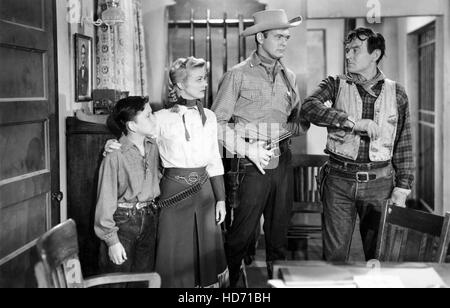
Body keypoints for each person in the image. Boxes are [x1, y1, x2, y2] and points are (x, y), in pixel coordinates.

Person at [105, 57, 229, 288]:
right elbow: (135, 138)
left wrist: (221, 199)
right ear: (180, 85)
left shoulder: (210, 117)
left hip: (205, 193)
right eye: (199, 79)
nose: (205, 84)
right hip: (173, 193)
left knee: (207, 253)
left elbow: (214, 159)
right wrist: (113, 144)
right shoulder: (160, 118)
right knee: (174, 253)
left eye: (205, 78)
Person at [300, 27, 415, 262]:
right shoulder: (335, 83)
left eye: (355, 50)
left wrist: (402, 188)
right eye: (347, 50)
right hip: (338, 181)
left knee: (379, 257)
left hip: (380, 183)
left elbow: (404, 142)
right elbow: (309, 107)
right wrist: (350, 122)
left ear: (375, 54)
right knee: (335, 257)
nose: (348, 55)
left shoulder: (397, 92)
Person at [211, 9, 304, 286]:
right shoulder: (236, 75)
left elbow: (294, 120)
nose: (284, 42)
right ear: (260, 37)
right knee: (240, 237)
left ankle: (276, 284)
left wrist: (299, 125)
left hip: (282, 161)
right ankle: (231, 288)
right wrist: (247, 146)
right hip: (247, 164)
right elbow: (216, 122)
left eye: (287, 37)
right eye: (278, 36)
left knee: (278, 237)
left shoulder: (290, 76)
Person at [94, 96, 160, 287]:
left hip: (149, 219)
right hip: (123, 224)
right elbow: (105, 200)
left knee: (141, 282)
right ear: (132, 125)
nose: (153, 119)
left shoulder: (152, 147)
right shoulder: (115, 155)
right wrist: (111, 240)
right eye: (148, 116)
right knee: (116, 282)